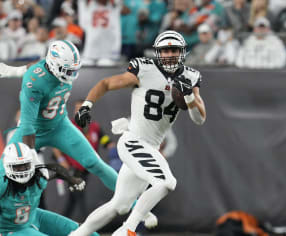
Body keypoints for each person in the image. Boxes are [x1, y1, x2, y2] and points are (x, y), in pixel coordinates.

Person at [0, 39, 157, 236]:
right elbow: (28, 124)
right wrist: (30, 157)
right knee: (0, 175)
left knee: (95, 163)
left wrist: (16, 70)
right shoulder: (33, 83)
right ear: (54, 64)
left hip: (59, 125)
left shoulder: (50, 68)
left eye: (73, 69)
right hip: (33, 131)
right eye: (67, 69)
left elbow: (36, 65)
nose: (71, 74)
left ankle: (139, 206)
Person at [70, 30, 206, 236]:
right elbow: (106, 84)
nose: (170, 54)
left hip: (149, 146)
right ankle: (128, 230)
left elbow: (199, 119)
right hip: (134, 141)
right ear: (158, 52)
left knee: (120, 205)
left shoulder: (190, 76)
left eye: (174, 50)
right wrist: (87, 105)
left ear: (182, 52)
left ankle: (77, 234)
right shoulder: (144, 68)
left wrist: (188, 97)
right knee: (166, 182)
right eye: (165, 50)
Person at [0, 142, 92, 236]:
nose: (22, 170)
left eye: (25, 165)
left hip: (34, 216)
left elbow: (56, 170)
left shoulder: (39, 177)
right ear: (7, 167)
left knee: (86, 231)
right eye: (17, 166)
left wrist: (72, 179)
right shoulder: (0, 187)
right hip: (11, 230)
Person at [52, 99, 116, 221]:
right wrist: (61, 160)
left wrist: (115, 149)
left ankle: (60, 226)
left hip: (87, 168)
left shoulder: (94, 127)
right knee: (79, 197)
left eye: (81, 109)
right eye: (76, 109)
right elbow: (55, 144)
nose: (78, 111)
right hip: (72, 169)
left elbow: (105, 141)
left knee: (72, 200)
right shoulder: (68, 126)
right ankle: (87, 228)